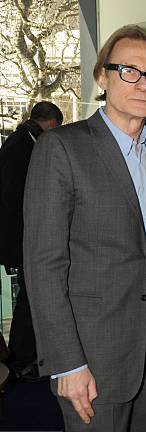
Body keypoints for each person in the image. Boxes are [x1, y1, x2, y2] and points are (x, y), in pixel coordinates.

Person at [23, 25, 146, 432]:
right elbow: (44, 265)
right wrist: (67, 363)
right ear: (102, 77)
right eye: (129, 70)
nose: (143, 84)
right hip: (91, 356)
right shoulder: (62, 149)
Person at [0, 101, 63, 379]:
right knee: (30, 297)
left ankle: (22, 355)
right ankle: (21, 357)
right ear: (50, 123)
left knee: (29, 297)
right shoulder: (22, 146)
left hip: (18, 237)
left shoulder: (20, 142)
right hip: (19, 238)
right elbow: (14, 198)